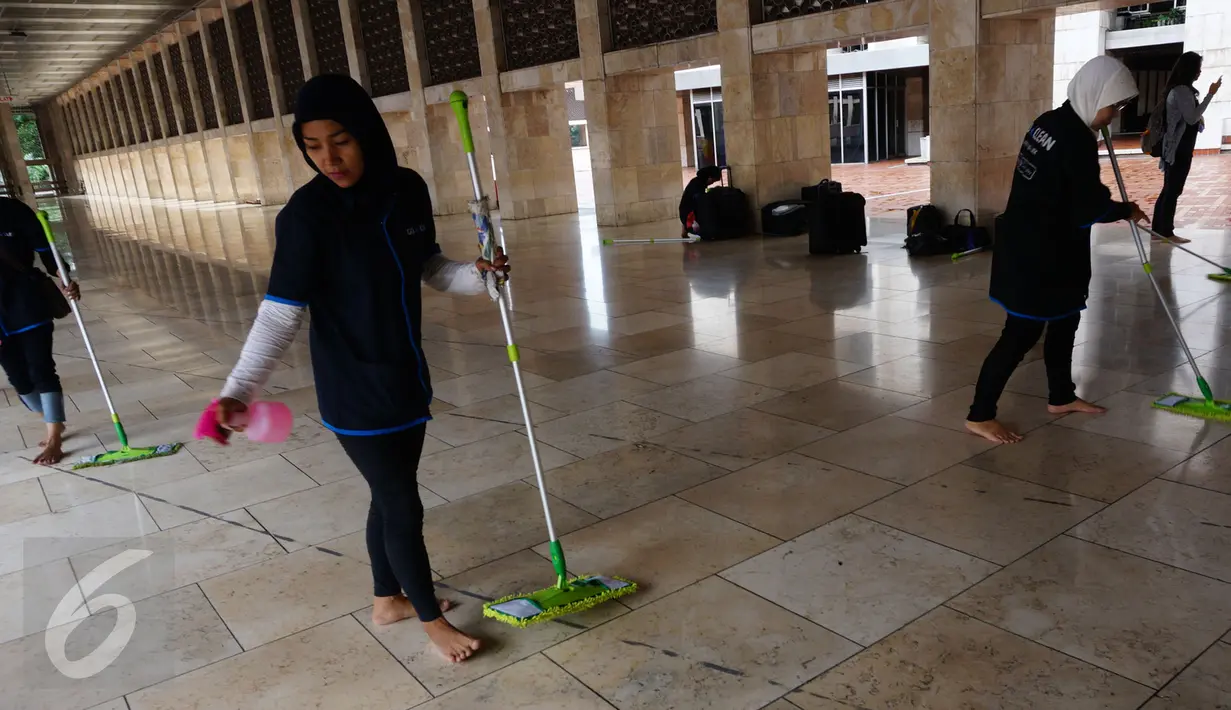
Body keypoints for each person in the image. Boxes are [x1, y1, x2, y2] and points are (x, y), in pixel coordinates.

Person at [215, 75, 508, 663]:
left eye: (341, 140)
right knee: (403, 505)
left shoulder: (406, 190)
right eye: (313, 145)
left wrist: (478, 277)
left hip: (406, 373)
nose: (328, 158)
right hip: (353, 387)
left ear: (368, 134)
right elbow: (280, 314)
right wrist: (239, 389)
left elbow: (427, 266)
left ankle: (386, 599)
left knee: (387, 495)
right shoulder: (305, 216)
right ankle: (430, 622)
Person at [965, 56, 1148, 444]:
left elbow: (1065, 191)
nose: (1114, 116)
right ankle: (980, 415)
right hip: (1039, 254)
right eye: (1113, 106)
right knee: (1020, 334)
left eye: (1120, 108)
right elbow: (1089, 206)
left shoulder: (1050, 121)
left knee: (1065, 320)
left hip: (1047, 246)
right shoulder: (1075, 138)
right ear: (1093, 93)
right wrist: (1125, 210)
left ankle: (1061, 396)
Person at [0, 198, 80, 464]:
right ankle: (51, 418)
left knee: (41, 369)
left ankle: (55, 437)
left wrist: (64, 276)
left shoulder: (13, 210)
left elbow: (47, 252)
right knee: (19, 380)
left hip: (26, 301)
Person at [1151, 52, 1221, 244]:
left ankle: (1159, 230)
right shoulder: (1181, 90)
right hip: (1178, 149)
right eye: (1197, 67)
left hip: (1179, 147)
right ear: (1189, 69)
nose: (1199, 71)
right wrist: (1211, 94)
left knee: (1170, 189)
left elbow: (1188, 117)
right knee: (1172, 190)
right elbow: (1191, 117)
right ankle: (1165, 232)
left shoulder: (1181, 90)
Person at [679, 165, 722, 237]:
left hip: (685, 212)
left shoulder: (697, 181)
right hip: (688, 214)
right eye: (713, 180)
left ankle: (686, 227)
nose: (712, 183)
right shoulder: (698, 185)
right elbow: (699, 203)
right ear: (709, 177)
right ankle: (687, 227)